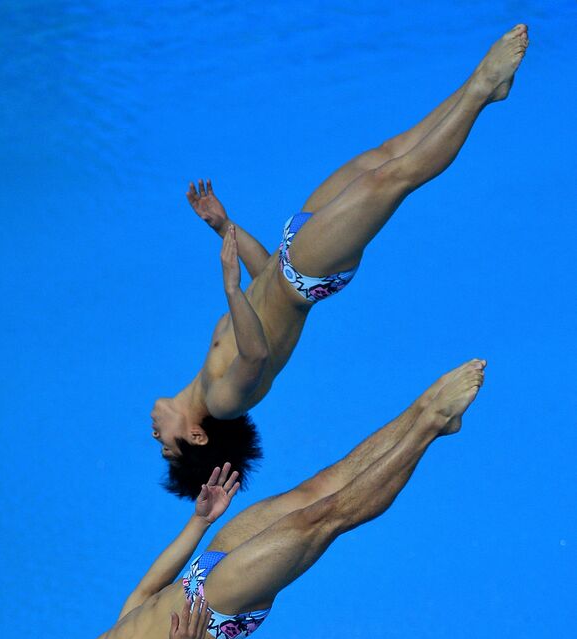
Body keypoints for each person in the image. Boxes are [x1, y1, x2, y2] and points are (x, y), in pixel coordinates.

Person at [0, 358, 485, 639]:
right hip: (214, 608)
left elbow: (139, 601)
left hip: (203, 575)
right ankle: (431, 423)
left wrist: (198, 524)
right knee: (325, 518)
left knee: (318, 488)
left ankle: (421, 411)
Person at [152, 25, 527, 499]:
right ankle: (480, 89)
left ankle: (485, 89)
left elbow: (264, 276)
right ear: (197, 436)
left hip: (292, 252)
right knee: (391, 180)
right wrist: (230, 289)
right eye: (167, 448)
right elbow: (257, 352)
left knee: (385, 155)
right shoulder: (223, 402)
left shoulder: (207, 377)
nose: (155, 438)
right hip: (308, 270)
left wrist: (224, 226)